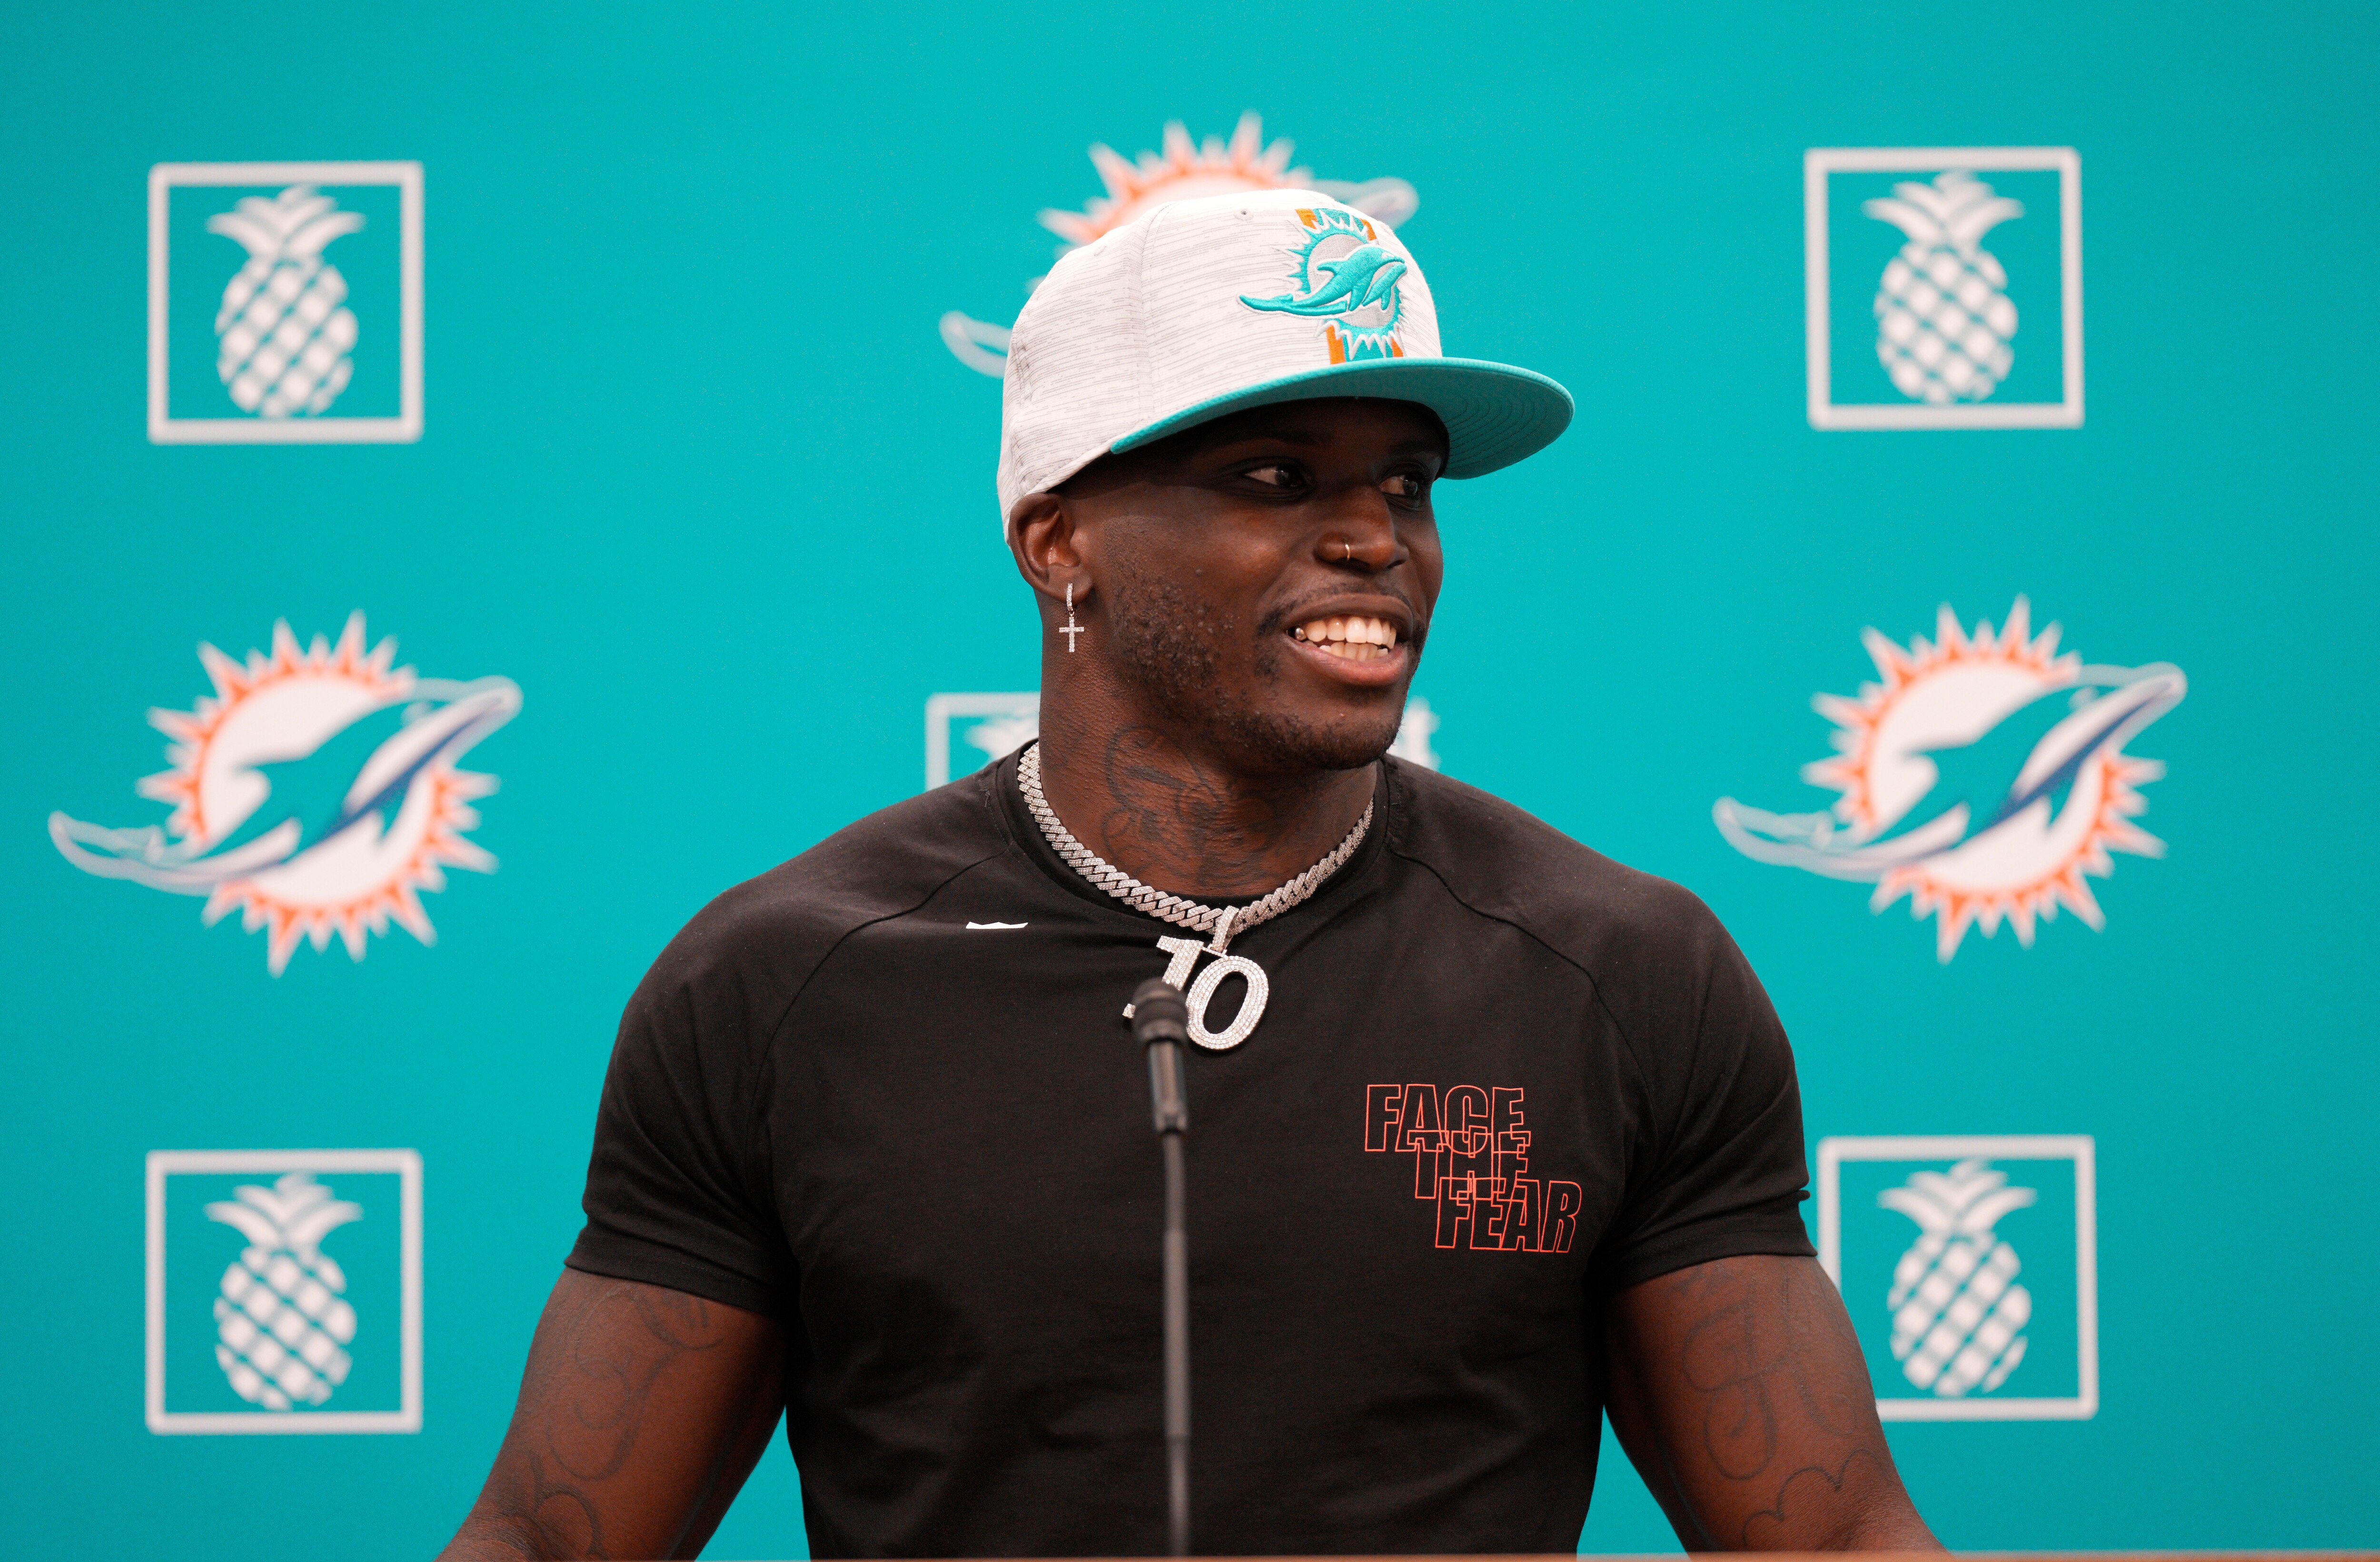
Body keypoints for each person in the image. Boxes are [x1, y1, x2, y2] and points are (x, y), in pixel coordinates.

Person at [441, 188, 1939, 1559]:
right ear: (1059, 542)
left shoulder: (1620, 972)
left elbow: (1828, 1538)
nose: (1375, 538)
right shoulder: (779, 987)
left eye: (1408, 485)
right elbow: (557, 1539)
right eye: (1277, 475)